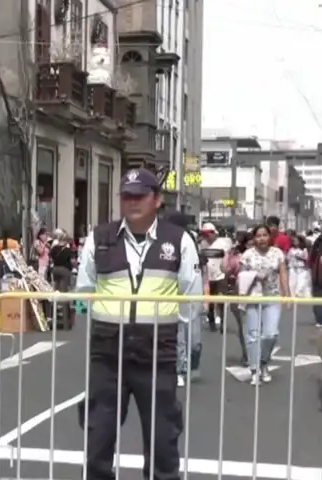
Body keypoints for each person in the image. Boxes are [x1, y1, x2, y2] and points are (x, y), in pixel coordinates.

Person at [76, 168, 202, 480]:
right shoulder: (99, 238)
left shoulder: (179, 240)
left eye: (140, 195)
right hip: (108, 354)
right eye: (126, 196)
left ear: (156, 199)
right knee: (98, 439)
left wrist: (177, 339)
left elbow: (191, 296)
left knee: (163, 443)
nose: (132, 202)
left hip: (158, 354)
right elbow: (85, 289)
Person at [239, 224, 290, 385]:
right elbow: (241, 276)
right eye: (258, 235)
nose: (261, 238)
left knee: (271, 334)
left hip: (272, 298)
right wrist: (255, 275)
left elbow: (283, 274)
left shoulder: (277, 253)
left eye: (265, 235)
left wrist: (286, 294)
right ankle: (255, 370)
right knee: (253, 335)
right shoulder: (247, 255)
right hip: (252, 298)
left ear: (270, 237)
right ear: (254, 238)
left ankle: (264, 362)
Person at [165, 211, 207, 387]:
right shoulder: (169, 240)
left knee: (190, 337)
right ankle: (181, 369)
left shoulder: (185, 241)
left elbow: (192, 274)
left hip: (187, 295)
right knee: (181, 335)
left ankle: (189, 365)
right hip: (178, 296)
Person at [222, 231, 251, 366]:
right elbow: (225, 269)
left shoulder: (267, 254)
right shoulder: (234, 255)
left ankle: (252, 354)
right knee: (244, 326)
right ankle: (248, 355)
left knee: (250, 327)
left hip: (257, 294)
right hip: (238, 293)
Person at [199, 222, 232, 332]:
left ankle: (223, 322)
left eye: (208, 233)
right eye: (204, 234)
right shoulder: (202, 244)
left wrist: (226, 266)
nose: (206, 236)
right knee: (210, 301)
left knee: (221, 300)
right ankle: (211, 321)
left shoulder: (223, 243)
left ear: (214, 233)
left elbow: (227, 257)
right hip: (207, 277)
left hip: (220, 276)